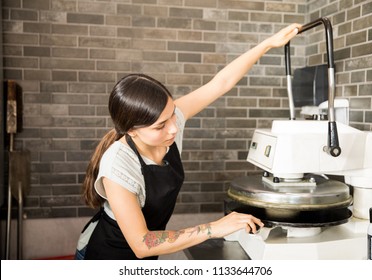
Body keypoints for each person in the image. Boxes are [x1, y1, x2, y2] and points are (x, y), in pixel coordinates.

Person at [75, 23, 301, 260]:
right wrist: (214, 228)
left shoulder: (168, 123)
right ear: (131, 131)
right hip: (109, 255)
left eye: (172, 113)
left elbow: (220, 83)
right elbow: (143, 244)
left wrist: (267, 44)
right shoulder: (117, 164)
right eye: (160, 126)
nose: (174, 128)